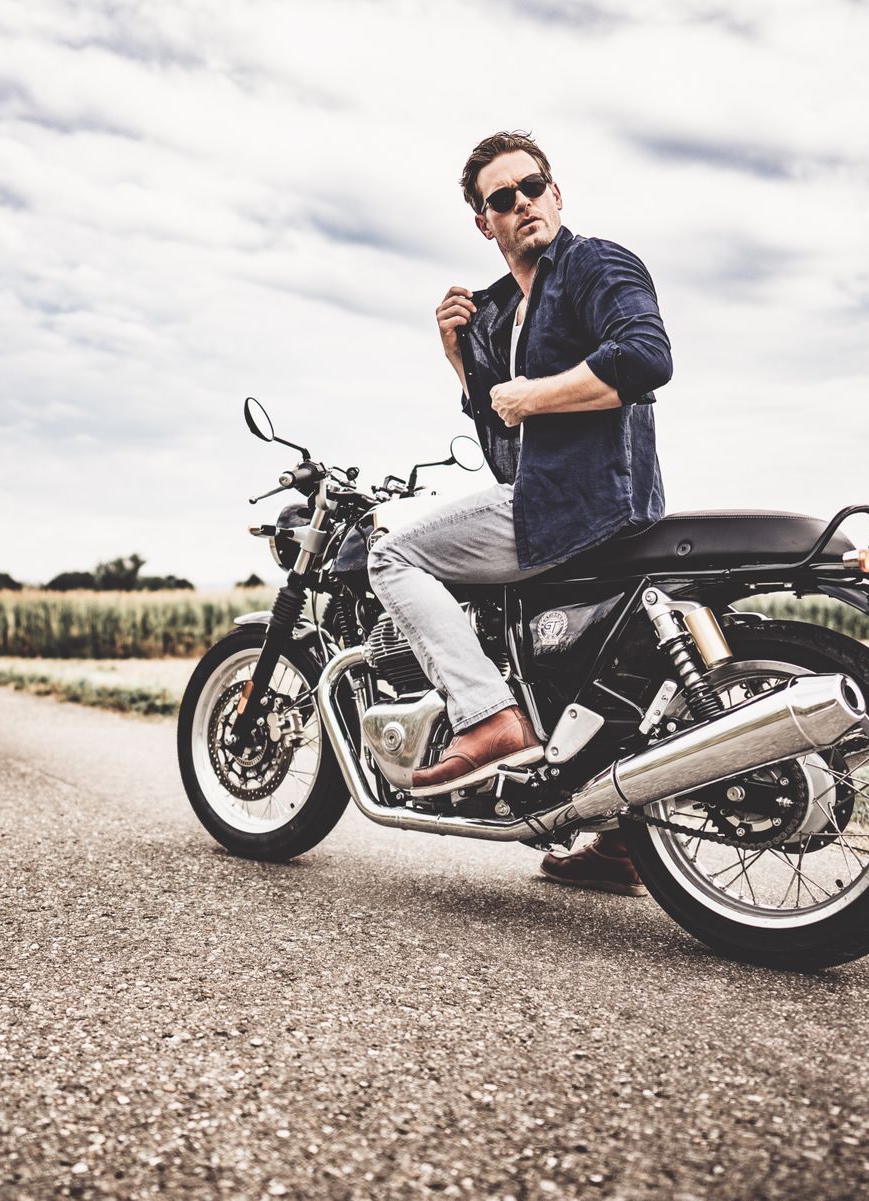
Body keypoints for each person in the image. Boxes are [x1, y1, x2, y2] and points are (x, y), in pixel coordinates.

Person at [365, 130, 673, 896]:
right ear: (485, 223)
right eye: (502, 198)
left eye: (532, 186)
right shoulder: (506, 310)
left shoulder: (594, 264)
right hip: (568, 502)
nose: (522, 202)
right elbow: (505, 447)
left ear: (556, 192)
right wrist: (459, 359)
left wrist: (532, 394)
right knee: (575, 669)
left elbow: (646, 356)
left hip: (579, 506)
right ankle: (621, 839)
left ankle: (487, 716)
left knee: (392, 555)